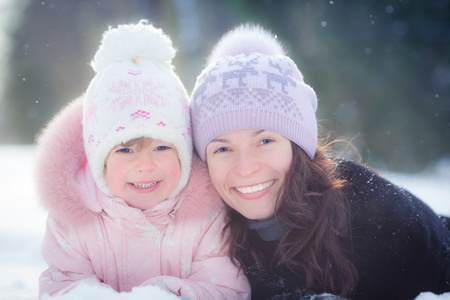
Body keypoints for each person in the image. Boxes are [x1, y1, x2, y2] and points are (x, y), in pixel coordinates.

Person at [189, 24, 450, 299]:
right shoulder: (208, 235)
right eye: (222, 149)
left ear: (297, 146)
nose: (245, 167)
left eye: (264, 141)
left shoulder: (368, 209)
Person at [36, 21, 250, 299]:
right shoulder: (75, 221)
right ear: (99, 160)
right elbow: (61, 288)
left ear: (183, 152)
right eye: (125, 150)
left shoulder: (206, 216)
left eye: (161, 148)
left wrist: (163, 295)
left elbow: (227, 290)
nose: (146, 165)